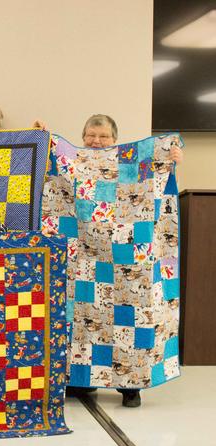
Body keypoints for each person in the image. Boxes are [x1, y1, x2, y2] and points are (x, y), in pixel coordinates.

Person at [67, 113, 182, 408]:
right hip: (84, 258)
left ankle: (131, 386)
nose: (97, 141)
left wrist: (171, 155)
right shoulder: (75, 165)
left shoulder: (132, 165)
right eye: (91, 135)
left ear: (114, 141)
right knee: (83, 316)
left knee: (132, 315)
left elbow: (156, 173)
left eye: (103, 136)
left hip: (128, 258)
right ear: (83, 138)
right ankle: (82, 381)